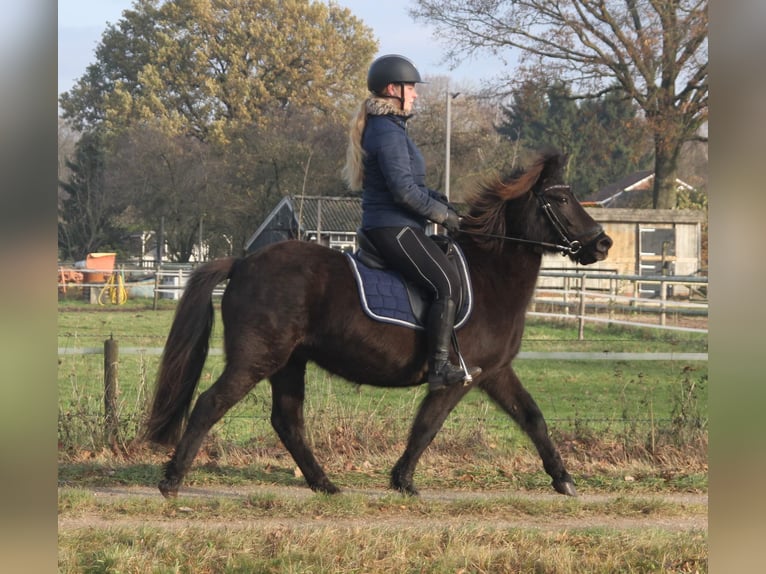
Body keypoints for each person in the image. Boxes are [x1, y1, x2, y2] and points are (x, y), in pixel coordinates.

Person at [342, 54, 481, 391]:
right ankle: (438, 369)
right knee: (446, 284)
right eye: (411, 88)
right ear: (394, 89)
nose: (416, 94)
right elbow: (403, 193)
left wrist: (442, 202)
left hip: (400, 224)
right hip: (393, 227)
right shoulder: (387, 133)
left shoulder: (391, 129)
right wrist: (443, 217)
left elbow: (412, 185)